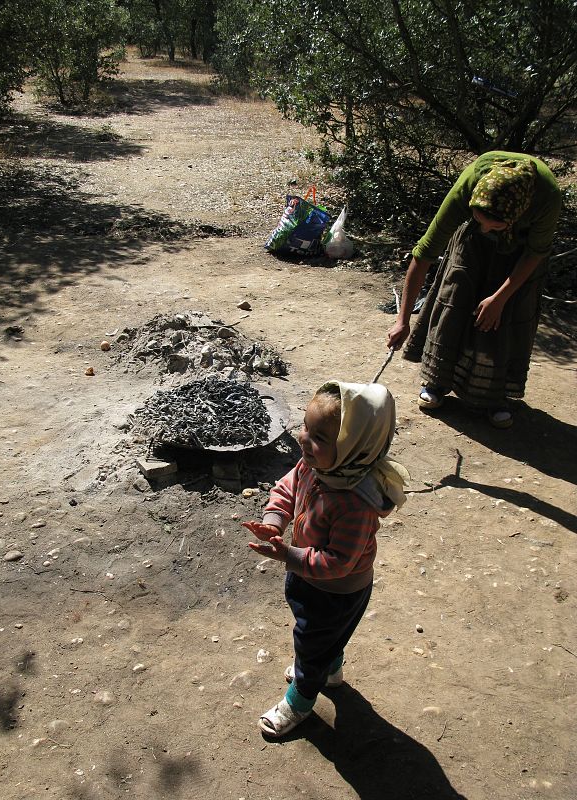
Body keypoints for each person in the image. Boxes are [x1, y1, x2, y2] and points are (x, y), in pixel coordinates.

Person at [242, 380, 408, 738]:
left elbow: (338, 562)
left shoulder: (355, 503)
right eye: (306, 426)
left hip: (335, 591)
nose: (305, 440)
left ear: (355, 447)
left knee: (311, 644)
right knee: (327, 638)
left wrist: (288, 553)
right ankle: (331, 671)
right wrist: (275, 521)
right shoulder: (316, 467)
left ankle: (299, 703)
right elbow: (286, 489)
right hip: (309, 575)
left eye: (320, 437)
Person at [387, 151, 562, 428]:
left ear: (516, 216)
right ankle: (437, 382)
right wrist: (402, 320)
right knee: (455, 299)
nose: (485, 229)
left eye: (493, 225)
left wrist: (500, 297)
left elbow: (535, 253)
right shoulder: (468, 188)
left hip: (521, 254)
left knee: (505, 318)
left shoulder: (546, 198)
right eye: (478, 219)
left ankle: (495, 397)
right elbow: (424, 254)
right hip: (472, 250)